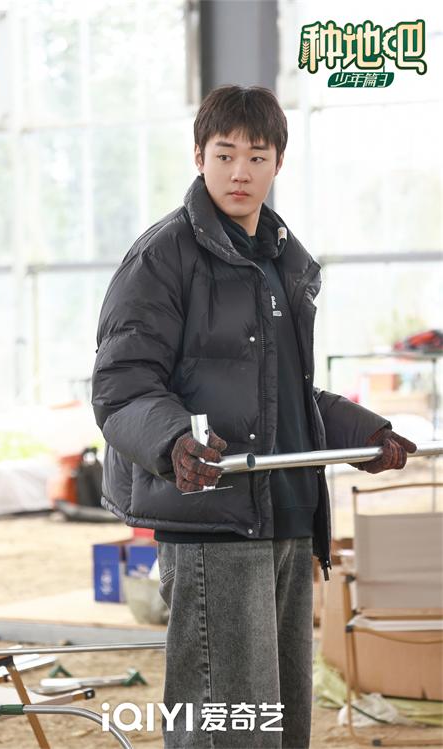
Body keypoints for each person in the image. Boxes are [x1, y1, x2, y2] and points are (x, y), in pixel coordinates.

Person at [92, 85, 417, 749]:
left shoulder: (280, 262)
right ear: (198, 156)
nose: (240, 172)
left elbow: (287, 396)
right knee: (226, 722)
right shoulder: (162, 257)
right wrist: (174, 440)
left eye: (257, 156)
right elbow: (122, 386)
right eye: (224, 155)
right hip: (214, 517)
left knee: (280, 723)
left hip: (287, 517)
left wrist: (366, 433)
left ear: (278, 163)